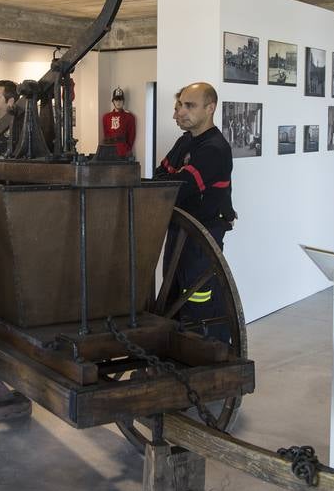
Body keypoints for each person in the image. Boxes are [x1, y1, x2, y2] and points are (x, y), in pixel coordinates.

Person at [154, 82, 237, 343]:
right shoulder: (186, 141)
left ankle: (209, 352)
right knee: (173, 294)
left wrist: (173, 178)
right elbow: (161, 176)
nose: (180, 112)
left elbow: (177, 188)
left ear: (210, 108)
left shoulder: (214, 149)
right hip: (180, 230)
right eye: (180, 105)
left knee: (199, 298)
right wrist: (173, 178)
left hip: (203, 236)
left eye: (189, 106)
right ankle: (175, 354)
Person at [100, 86, 136, 158]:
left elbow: (131, 135)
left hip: (124, 150)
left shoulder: (129, 117)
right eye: (116, 100)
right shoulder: (106, 117)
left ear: (123, 101)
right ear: (113, 101)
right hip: (109, 150)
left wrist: (127, 149)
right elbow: (106, 134)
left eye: (120, 100)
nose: (118, 102)